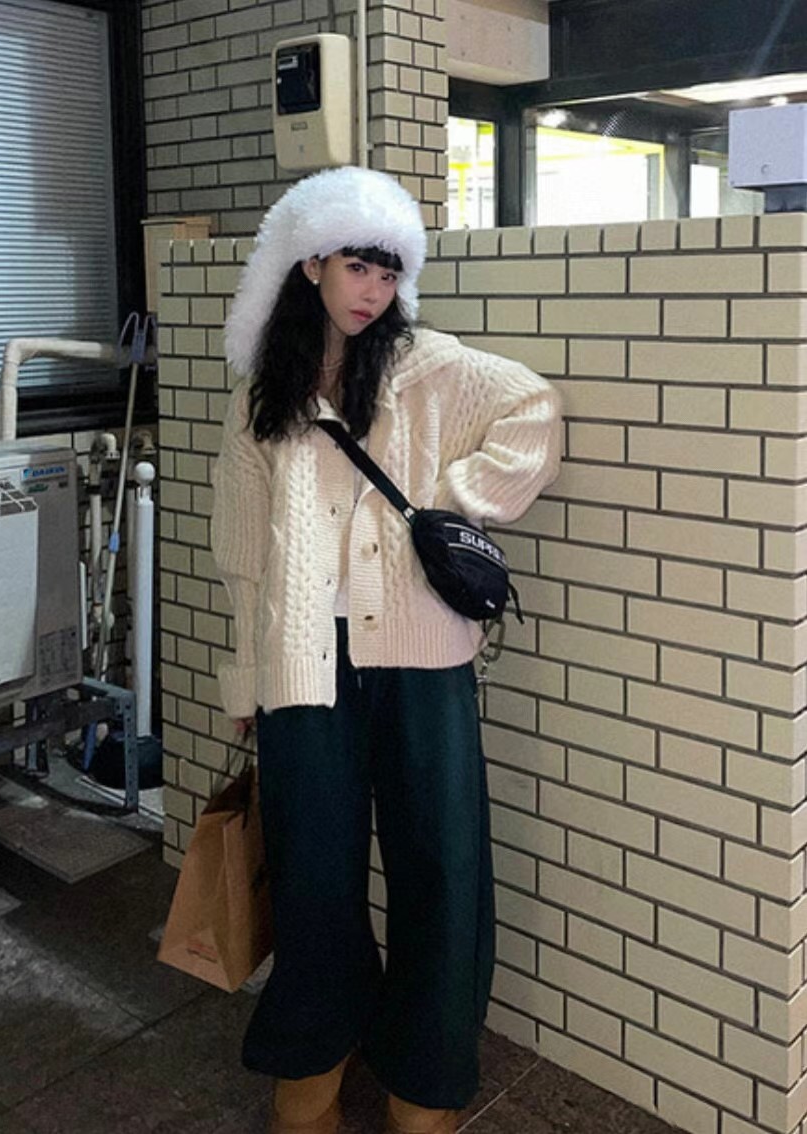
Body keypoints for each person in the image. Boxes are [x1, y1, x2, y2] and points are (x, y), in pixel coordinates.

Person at [211, 166, 561, 1134]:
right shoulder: (263, 394)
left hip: (422, 661)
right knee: (313, 875)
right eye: (357, 266)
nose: (372, 290)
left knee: (440, 872)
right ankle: (314, 1060)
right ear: (311, 263)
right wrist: (244, 681)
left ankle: (423, 1075)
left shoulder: (429, 367)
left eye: (388, 271)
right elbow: (240, 555)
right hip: (302, 662)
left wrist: (447, 507)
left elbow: (533, 414)